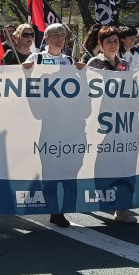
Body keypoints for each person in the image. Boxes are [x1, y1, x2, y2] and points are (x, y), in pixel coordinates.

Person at [23, 23, 85, 228]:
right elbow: (25, 80)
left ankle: (66, 209)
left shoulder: (69, 61)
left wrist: (83, 72)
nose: (59, 38)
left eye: (62, 35)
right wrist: (26, 72)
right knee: (50, 172)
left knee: (71, 172)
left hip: (71, 126)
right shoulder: (36, 58)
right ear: (46, 39)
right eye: (55, 35)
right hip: (48, 125)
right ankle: (53, 210)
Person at [85, 26, 136, 224]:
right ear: (101, 44)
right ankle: (100, 198)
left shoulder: (125, 64)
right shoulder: (94, 63)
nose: (113, 44)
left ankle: (122, 207)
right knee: (102, 164)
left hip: (122, 122)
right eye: (108, 41)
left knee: (123, 163)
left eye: (115, 41)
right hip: (101, 122)